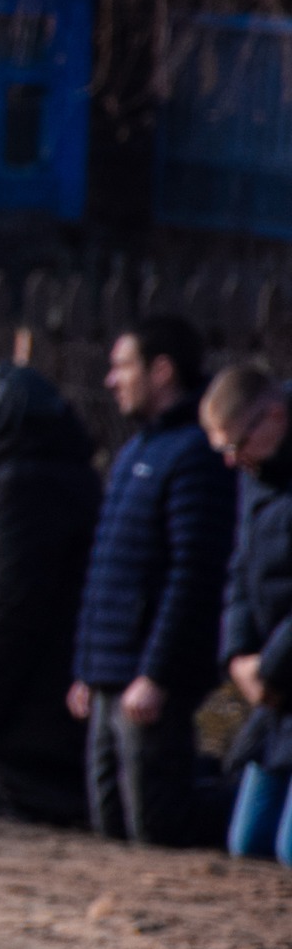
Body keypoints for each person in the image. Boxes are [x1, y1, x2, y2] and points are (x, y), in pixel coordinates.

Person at [70, 316, 236, 846]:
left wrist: (158, 673)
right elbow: (107, 568)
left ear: (162, 371)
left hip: (144, 680)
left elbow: (194, 574)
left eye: (123, 366)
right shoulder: (135, 452)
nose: (110, 379)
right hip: (109, 676)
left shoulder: (193, 455)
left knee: (156, 826)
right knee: (110, 822)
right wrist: (86, 668)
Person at [0, 364, 102, 826]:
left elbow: (15, 599)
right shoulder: (58, 472)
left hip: (30, 699)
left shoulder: (25, 482)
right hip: (43, 686)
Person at [200, 363, 292, 867]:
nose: (233, 463)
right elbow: (242, 564)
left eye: (236, 447)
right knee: (248, 842)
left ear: (274, 416)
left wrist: (271, 667)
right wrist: (238, 655)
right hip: (271, 691)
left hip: (280, 674)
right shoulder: (259, 471)